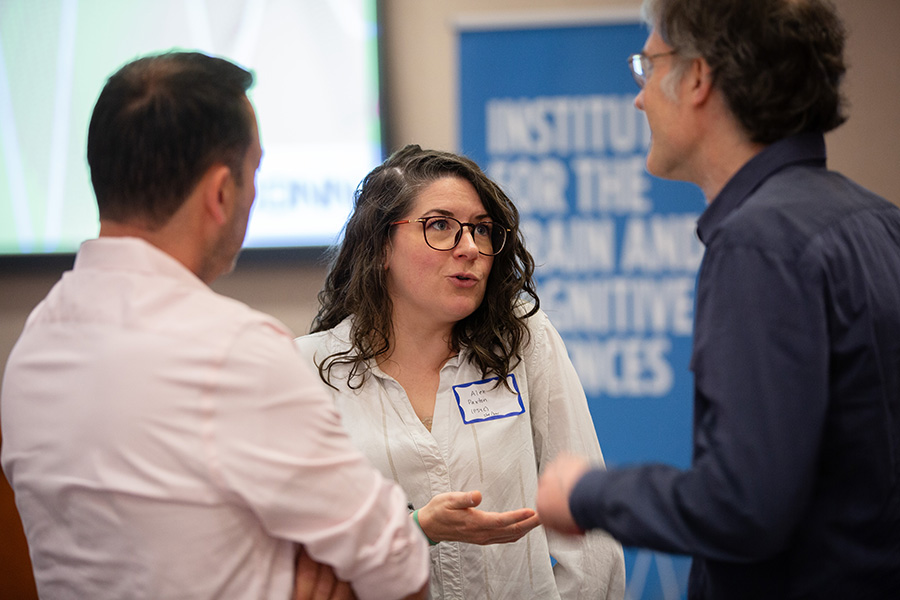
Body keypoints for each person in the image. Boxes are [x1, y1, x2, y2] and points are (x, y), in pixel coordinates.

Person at [0, 51, 429, 600]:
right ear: (221, 193)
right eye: (255, 173)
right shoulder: (232, 351)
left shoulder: (32, 346)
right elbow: (398, 568)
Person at [536, 0, 900, 598]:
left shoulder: (760, 243)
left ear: (699, 77)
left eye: (646, 67)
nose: (640, 97)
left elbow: (746, 505)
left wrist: (587, 494)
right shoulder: (876, 220)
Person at [294, 144, 625, 599]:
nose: (470, 248)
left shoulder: (522, 341)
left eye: (482, 230)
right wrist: (416, 529)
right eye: (440, 226)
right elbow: (300, 552)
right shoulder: (307, 369)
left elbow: (589, 531)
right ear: (381, 247)